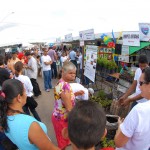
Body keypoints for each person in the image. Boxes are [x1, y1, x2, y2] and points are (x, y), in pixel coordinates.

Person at [0, 79, 59, 150]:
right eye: (25, 91)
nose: (26, 94)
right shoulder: (29, 124)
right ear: (19, 98)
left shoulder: (4, 116)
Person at [115, 67, 150, 150]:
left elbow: (118, 143)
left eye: (141, 83)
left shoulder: (139, 110)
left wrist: (120, 127)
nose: (138, 86)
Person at [52, 62, 78, 149]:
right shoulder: (65, 86)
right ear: (63, 72)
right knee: (62, 143)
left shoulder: (61, 82)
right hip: (63, 118)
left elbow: (63, 97)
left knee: (62, 141)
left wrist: (76, 93)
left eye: (74, 73)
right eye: (70, 73)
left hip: (59, 116)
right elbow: (69, 107)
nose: (73, 75)